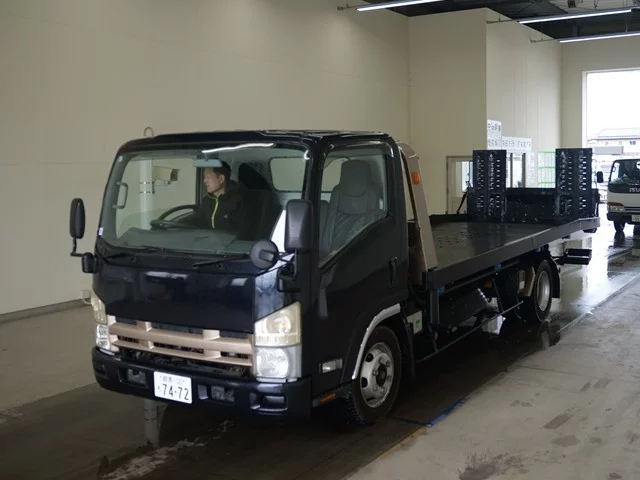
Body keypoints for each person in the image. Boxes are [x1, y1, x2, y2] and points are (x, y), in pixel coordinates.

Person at [195, 161, 252, 239]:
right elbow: (199, 225)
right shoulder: (206, 201)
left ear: (221, 179)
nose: (204, 181)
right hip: (208, 244)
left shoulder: (238, 202)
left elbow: (243, 234)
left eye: (208, 177)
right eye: (205, 177)